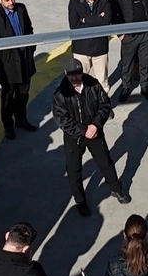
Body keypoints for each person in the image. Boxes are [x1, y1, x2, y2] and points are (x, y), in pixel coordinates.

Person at [51, 58, 130, 217]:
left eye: (77, 74)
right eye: (71, 75)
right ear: (66, 73)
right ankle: (80, 201)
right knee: (74, 170)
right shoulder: (60, 94)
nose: (75, 78)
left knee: (106, 162)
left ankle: (116, 189)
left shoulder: (93, 84)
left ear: (82, 72)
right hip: (74, 138)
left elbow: (105, 105)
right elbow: (62, 120)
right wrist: (83, 130)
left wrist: (95, 125)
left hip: (95, 132)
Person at [0, 0, 38, 140]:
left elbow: (29, 29)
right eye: (7, 0)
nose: (11, 2)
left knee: (23, 94)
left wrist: (30, 49)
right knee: (8, 96)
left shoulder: (21, 9)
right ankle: (8, 125)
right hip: (8, 66)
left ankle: (21, 119)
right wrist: (3, 61)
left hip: (24, 60)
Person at [68, 0, 114, 93]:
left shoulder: (105, 2)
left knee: (103, 82)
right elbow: (74, 26)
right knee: (79, 82)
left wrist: (85, 19)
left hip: (100, 49)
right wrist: (98, 18)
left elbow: (106, 21)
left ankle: (103, 103)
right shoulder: (74, 3)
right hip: (81, 50)